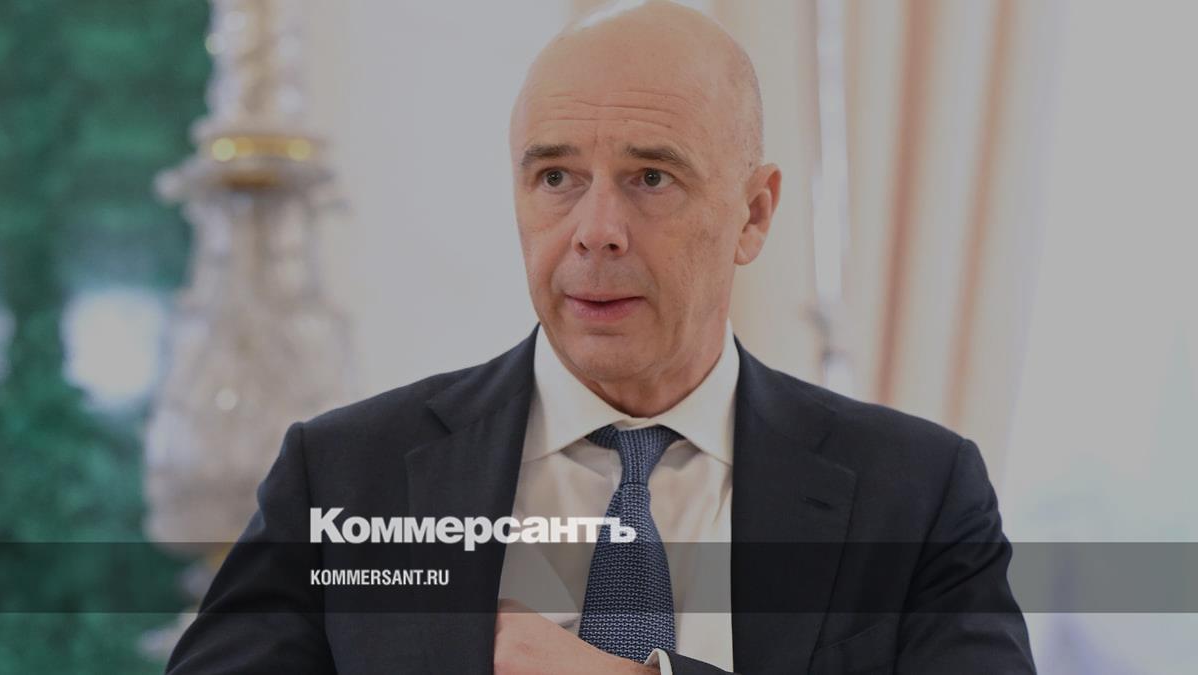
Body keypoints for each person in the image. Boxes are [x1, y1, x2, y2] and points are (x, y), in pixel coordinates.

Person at [166, 1, 1034, 673]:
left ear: (754, 213)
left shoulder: (918, 496)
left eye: (650, 177)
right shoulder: (346, 476)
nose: (596, 231)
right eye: (556, 177)